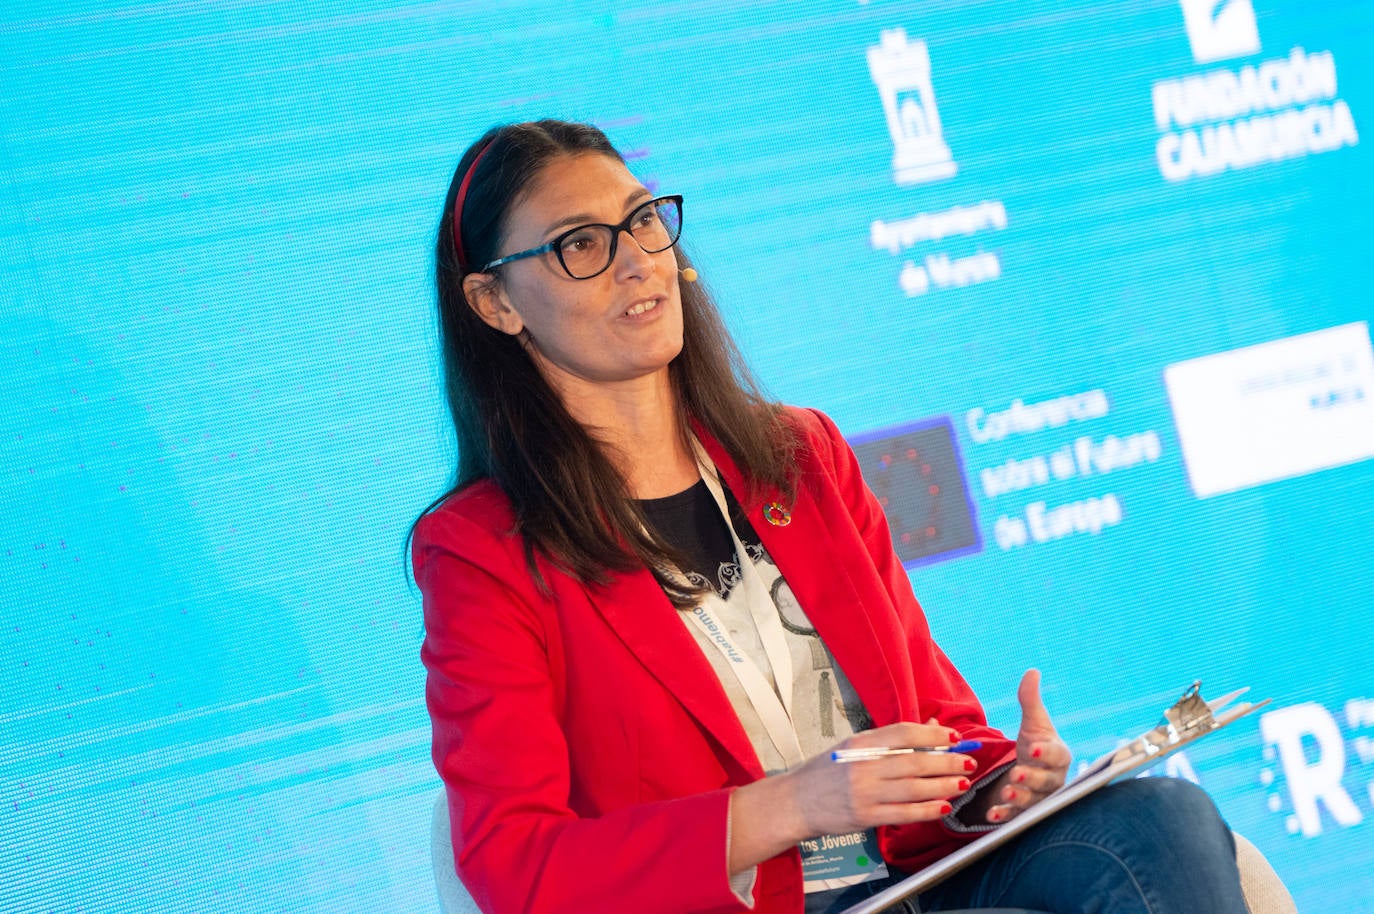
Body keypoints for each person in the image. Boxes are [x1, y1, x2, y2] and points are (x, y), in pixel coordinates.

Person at [412, 119, 1248, 914]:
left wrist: (999, 781)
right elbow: (515, 867)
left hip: (923, 872)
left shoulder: (800, 454)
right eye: (581, 245)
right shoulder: (482, 550)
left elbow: (938, 720)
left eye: (642, 223)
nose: (636, 263)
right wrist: (789, 806)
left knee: (1157, 820)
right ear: (494, 302)